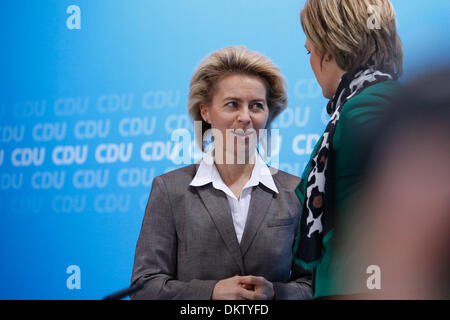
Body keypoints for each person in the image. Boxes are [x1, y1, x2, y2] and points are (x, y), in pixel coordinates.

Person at [131, 46, 312, 300]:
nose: (245, 117)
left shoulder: (296, 192)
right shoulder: (169, 189)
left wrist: (277, 294)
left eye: (257, 106)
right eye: (232, 105)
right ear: (205, 111)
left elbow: (312, 285)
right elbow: (145, 287)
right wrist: (211, 293)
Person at [292, 0, 404, 298]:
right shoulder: (362, 102)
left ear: (328, 52)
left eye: (309, 51)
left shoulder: (366, 108)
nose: (311, 61)